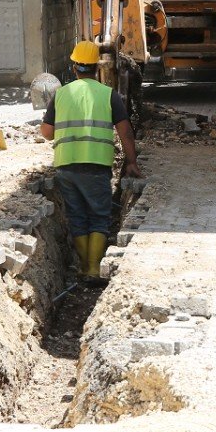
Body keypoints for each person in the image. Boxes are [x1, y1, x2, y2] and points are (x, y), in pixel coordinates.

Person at [39, 41, 142, 283]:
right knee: (99, 216)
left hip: (67, 165)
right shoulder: (108, 95)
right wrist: (132, 161)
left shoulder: (61, 94)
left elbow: (46, 132)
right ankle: (93, 268)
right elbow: (125, 132)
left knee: (77, 216)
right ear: (97, 68)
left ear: (75, 67)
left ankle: (84, 266)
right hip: (97, 165)